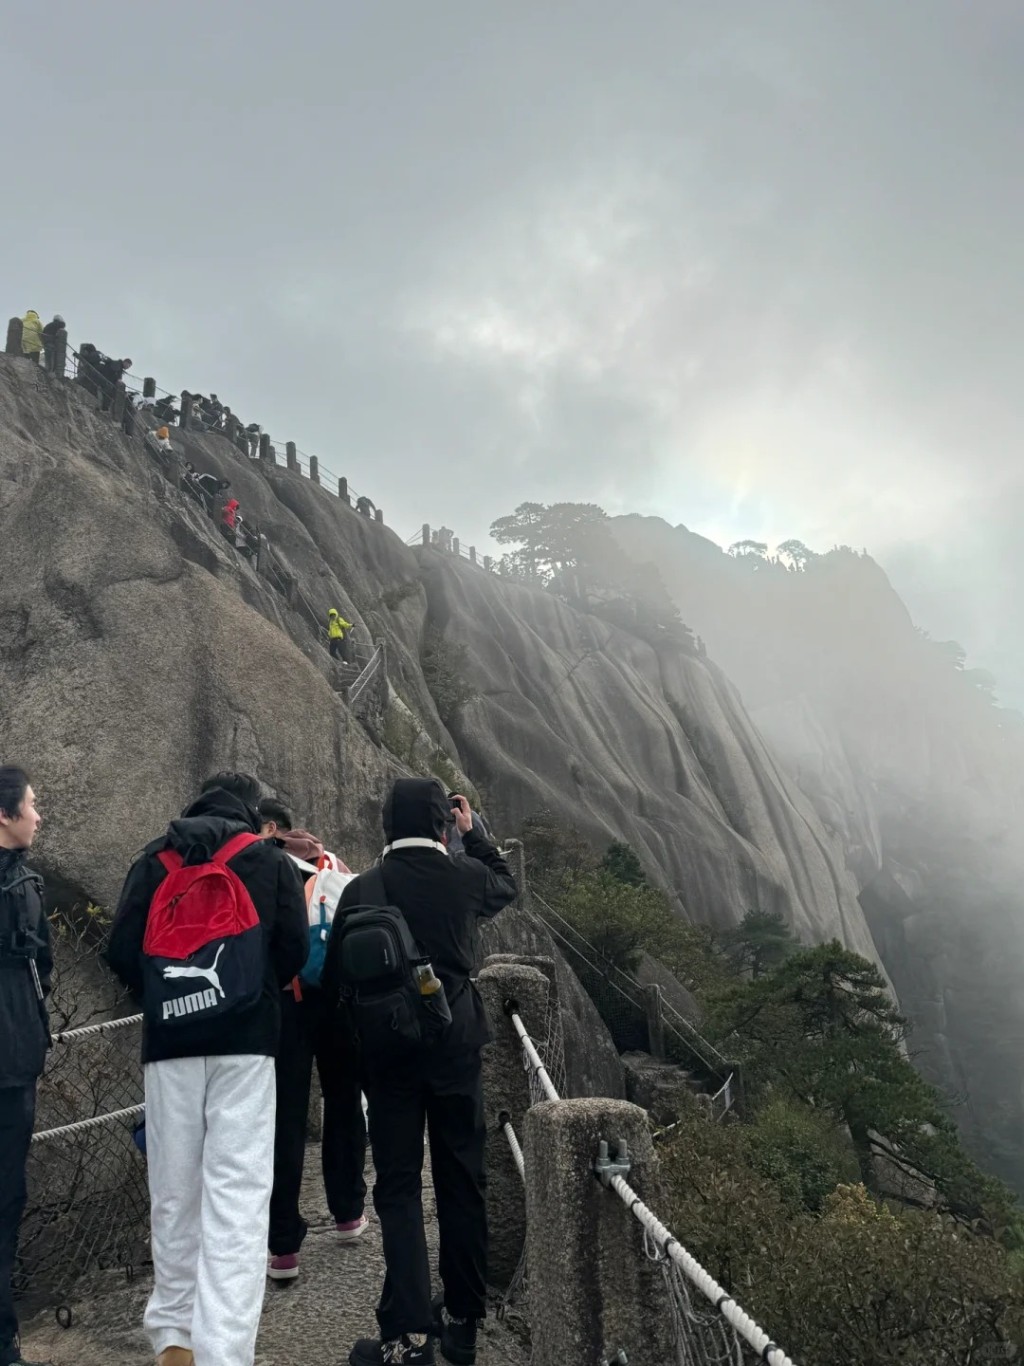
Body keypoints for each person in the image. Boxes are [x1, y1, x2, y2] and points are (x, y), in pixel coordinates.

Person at [105, 771, 308, 1366]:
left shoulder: (154, 860)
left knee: (174, 1190)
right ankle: (224, 1351)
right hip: (245, 1045)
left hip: (169, 1045)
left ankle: (174, 1335)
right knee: (237, 1197)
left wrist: (168, 997)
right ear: (249, 811)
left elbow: (121, 950)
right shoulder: (267, 862)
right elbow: (294, 949)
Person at [322, 779, 517, 1366]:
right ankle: (462, 1325)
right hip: (456, 1045)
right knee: (462, 1181)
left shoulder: (362, 890)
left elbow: (337, 985)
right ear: (441, 824)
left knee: (400, 1188)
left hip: (389, 1061)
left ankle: (408, 1336)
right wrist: (474, 835)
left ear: (386, 826)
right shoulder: (463, 878)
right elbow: (507, 885)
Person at [255, 799, 368, 1285]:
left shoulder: (264, 866)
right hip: (340, 1003)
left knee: (287, 1118)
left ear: (270, 827)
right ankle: (347, 1214)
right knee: (344, 1104)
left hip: (289, 1003)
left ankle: (283, 1246)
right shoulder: (333, 866)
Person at [0, 768, 51, 1366]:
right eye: (32, 805)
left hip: (16, 1053)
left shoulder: (29, 881)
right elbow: (45, 965)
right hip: (12, 1057)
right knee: (6, 1196)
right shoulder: (25, 886)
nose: (38, 815)